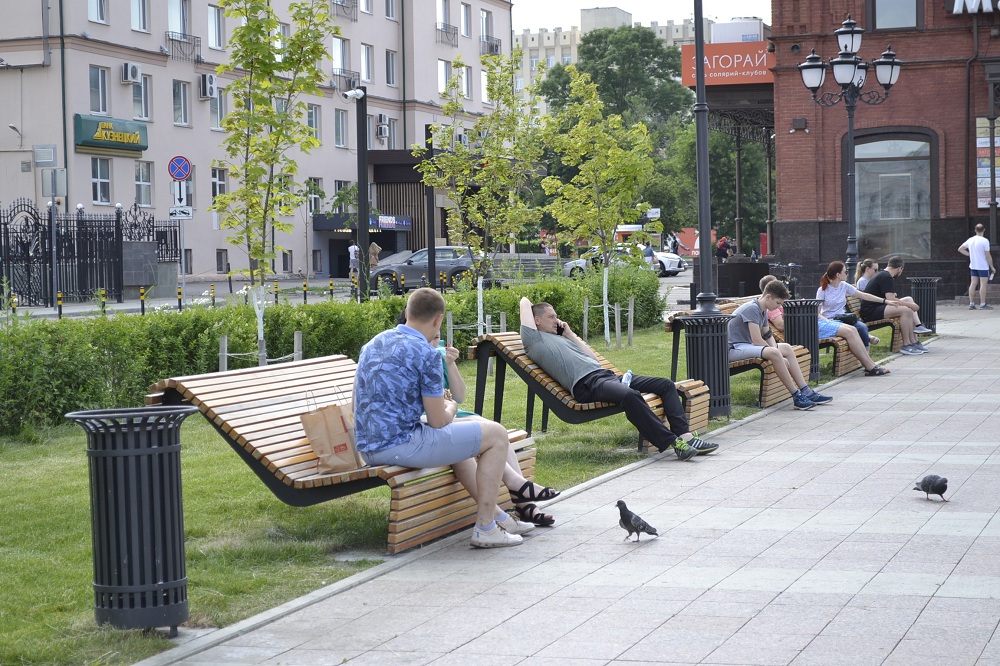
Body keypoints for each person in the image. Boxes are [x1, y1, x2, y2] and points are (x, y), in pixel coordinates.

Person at [354, 288, 537, 548]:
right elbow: (439, 421)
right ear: (438, 320)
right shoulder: (427, 354)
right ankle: (485, 527)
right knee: (496, 434)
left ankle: (499, 517)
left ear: (407, 313)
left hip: (368, 446)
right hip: (400, 445)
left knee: (467, 436)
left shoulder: (374, 343)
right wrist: (450, 406)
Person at [518, 297, 719, 460]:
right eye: (552, 317)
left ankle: (685, 437)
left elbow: (593, 359)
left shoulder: (560, 337)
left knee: (666, 385)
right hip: (588, 385)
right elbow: (524, 301)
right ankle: (674, 443)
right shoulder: (533, 340)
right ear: (536, 320)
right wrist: (540, 314)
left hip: (606, 376)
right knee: (630, 396)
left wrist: (569, 334)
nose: (557, 321)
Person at [431, 331, 557, 527]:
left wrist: (450, 363)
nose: (435, 341)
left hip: (454, 414)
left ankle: (523, 503)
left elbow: (460, 396)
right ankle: (520, 495)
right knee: (490, 435)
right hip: (438, 419)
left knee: (498, 431)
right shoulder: (413, 357)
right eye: (431, 336)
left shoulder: (437, 355)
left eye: (437, 337)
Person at [728, 279, 833, 410]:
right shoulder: (752, 309)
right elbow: (757, 340)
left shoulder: (761, 308)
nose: (778, 307)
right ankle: (796, 396)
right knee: (774, 352)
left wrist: (776, 349)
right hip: (734, 348)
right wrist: (778, 355)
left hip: (745, 345)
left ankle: (806, 391)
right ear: (768, 297)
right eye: (778, 303)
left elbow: (767, 335)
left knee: (787, 348)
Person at [815, 262, 891, 376]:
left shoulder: (844, 285)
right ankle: (870, 366)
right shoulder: (822, 290)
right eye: (845, 272)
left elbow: (863, 295)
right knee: (855, 329)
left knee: (860, 328)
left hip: (843, 318)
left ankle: (870, 364)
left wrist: (884, 301)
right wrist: (827, 320)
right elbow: (817, 313)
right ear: (838, 275)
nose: (847, 273)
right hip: (830, 320)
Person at [861, 256, 932, 355]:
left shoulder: (884, 274)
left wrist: (909, 304)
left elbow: (890, 298)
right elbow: (891, 299)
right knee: (906, 310)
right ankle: (906, 344)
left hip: (877, 307)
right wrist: (911, 306)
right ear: (900, 268)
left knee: (908, 299)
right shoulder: (887, 277)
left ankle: (915, 337)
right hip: (870, 311)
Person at [958, 223, 996, 310]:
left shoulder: (970, 240)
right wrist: (992, 266)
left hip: (973, 265)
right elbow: (988, 255)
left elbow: (960, 249)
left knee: (973, 283)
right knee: (983, 284)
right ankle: (982, 304)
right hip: (983, 266)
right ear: (984, 230)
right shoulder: (985, 241)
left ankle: (971, 303)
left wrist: (969, 254)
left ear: (975, 230)